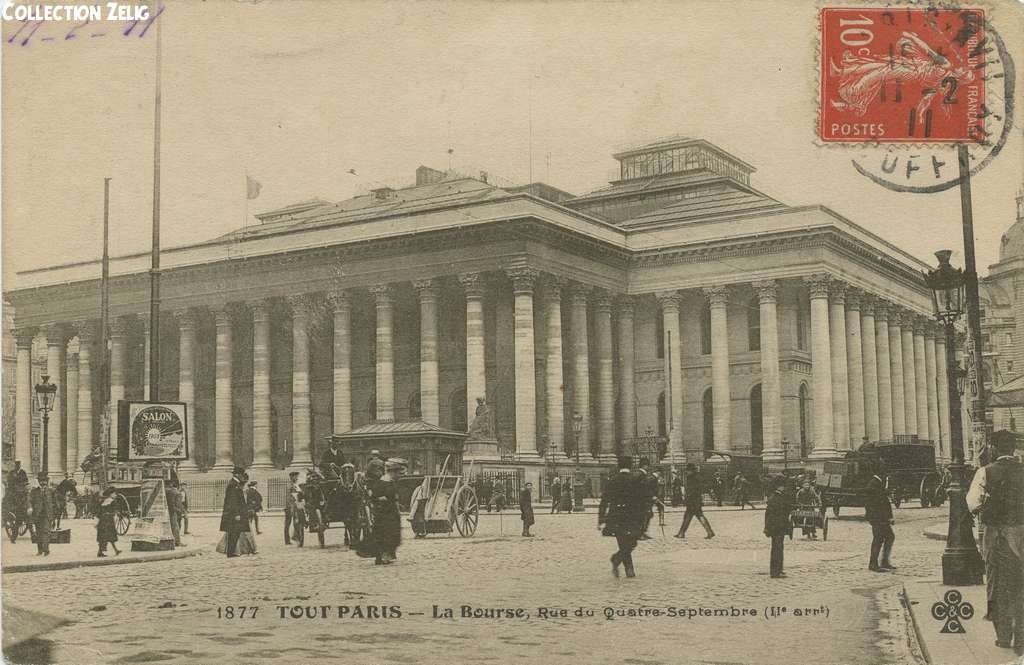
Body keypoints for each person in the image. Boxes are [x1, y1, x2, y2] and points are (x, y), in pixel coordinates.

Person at [967, 430, 1024, 651]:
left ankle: (1002, 636)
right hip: (1021, 534)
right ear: (1013, 449)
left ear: (995, 449)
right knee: (1021, 583)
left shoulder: (985, 472)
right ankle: (1021, 638)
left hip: (996, 535)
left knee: (996, 582)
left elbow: (973, 503)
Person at [598, 457, 644, 578]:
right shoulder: (635, 480)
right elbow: (641, 500)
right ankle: (628, 568)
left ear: (619, 466)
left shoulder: (612, 481)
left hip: (616, 515)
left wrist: (601, 519)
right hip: (631, 515)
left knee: (623, 542)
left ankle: (618, 561)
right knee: (632, 542)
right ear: (630, 466)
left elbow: (604, 501)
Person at [370, 459, 405, 564]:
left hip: (391, 512)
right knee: (385, 534)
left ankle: (386, 555)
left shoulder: (390, 481)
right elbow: (374, 496)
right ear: (392, 472)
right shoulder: (382, 482)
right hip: (384, 513)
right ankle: (382, 556)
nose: (399, 475)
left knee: (391, 534)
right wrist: (380, 499)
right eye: (398, 473)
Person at [764, 476, 792, 578]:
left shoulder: (774, 497)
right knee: (777, 549)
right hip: (778, 527)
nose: (784, 488)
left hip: (775, 527)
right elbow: (778, 514)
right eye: (783, 486)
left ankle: (778, 570)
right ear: (780, 487)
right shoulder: (777, 498)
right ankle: (776, 572)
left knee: (777, 548)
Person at [865, 475, 895, 572]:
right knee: (878, 539)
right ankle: (873, 564)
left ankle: (884, 561)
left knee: (890, 536)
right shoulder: (873, 485)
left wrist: (889, 517)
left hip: (883, 518)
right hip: (878, 519)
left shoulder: (878, 484)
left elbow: (885, 502)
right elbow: (874, 504)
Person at [676, 463, 714, 539]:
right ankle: (709, 532)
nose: (686, 472)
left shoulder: (691, 478)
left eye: (687, 470)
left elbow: (691, 490)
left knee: (690, 517)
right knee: (695, 516)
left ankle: (681, 533)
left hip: (692, 501)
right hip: (696, 500)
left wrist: (687, 498)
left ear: (691, 470)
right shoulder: (698, 477)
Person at [219, 466, 250, 558]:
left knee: (235, 532)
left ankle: (231, 551)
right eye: (241, 475)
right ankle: (230, 552)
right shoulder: (233, 484)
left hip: (234, 513)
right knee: (234, 532)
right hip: (234, 514)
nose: (242, 477)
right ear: (237, 475)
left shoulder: (235, 483)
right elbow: (233, 501)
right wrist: (237, 514)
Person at [28, 473, 57, 556]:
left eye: (44, 481)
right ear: (39, 482)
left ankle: (46, 549)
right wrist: (30, 507)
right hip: (37, 515)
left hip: (47, 514)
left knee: (46, 532)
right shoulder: (34, 491)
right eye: (41, 481)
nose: (43, 483)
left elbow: (55, 504)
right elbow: (29, 500)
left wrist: (55, 515)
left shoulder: (51, 491)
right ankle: (40, 550)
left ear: (47, 482)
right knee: (39, 532)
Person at [95, 486, 122, 557]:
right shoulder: (113, 501)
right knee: (109, 536)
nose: (115, 495)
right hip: (109, 521)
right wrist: (115, 513)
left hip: (102, 521)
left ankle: (115, 550)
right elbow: (114, 511)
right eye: (114, 494)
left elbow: (98, 513)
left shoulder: (103, 501)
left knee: (104, 537)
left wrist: (98, 521)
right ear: (111, 494)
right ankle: (101, 552)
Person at [284, 471, 300, 545]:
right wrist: (291, 506)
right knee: (288, 524)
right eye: (295, 476)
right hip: (289, 506)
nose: (296, 478)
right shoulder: (289, 485)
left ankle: (295, 536)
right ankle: (287, 540)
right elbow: (289, 497)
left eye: (297, 476)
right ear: (291, 477)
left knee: (296, 521)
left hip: (294, 505)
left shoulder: (294, 485)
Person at [165, 481, 183, 547]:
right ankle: (177, 542)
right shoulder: (176, 492)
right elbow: (177, 504)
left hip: (168, 511)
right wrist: (179, 511)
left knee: (173, 526)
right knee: (176, 526)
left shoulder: (165, 491)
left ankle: (174, 541)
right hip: (174, 511)